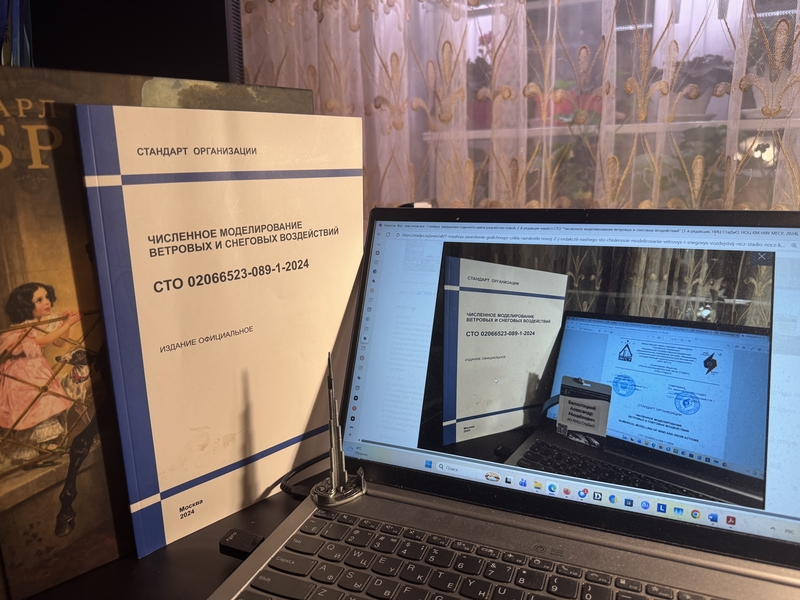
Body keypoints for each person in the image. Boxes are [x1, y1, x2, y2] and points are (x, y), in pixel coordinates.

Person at [0, 283, 79, 462]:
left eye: (47, 297)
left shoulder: (44, 322)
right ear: (26, 306)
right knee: (38, 405)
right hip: (20, 376)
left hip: (37, 371)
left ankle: (42, 446)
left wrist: (66, 325)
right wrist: (67, 323)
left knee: (46, 403)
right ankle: (39, 446)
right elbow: (43, 340)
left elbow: (59, 342)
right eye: (39, 300)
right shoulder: (22, 328)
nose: (47, 302)